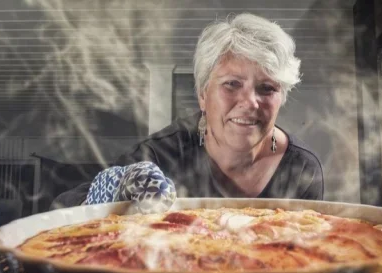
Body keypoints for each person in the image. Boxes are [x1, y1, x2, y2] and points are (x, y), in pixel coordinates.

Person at [52, 13, 324, 210]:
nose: (250, 102)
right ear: (203, 95)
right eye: (231, 84)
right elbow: (63, 210)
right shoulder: (162, 154)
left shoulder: (302, 169)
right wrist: (113, 191)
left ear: (282, 98)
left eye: (267, 88)